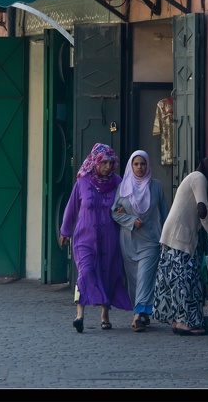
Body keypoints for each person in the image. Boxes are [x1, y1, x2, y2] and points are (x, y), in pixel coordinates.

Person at [59, 143, 132, 333]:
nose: (107, 166)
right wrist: (65, 231)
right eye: (104, 162)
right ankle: (79, 314)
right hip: (84, 238)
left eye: (110, 162)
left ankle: (105, 315)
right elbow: (71, 208)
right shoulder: (82, 182)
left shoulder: (117, 182)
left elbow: (127, 204)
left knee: (106, 273)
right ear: (95, 162)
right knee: (86, 271)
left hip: (109, 239)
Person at [153, 156, 208, 335]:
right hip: (180, 237)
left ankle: (177, 320)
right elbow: (202, 210)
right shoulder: (199, 178)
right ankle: (185, 323)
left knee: (175, 281)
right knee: (184, 282)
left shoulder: (195, 178)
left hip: (175, 236)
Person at [112, 150, 169, 332]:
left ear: (148, 165)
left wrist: (167, 238)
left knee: (145, 277)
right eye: (136, 164)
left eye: (143, 164)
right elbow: (115, 212)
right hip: (129, 241)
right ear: (131, 165)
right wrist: (130, 220)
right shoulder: (123, 188)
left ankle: (137, 316)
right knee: (135, 280)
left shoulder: (156, 187)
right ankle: (144, 312)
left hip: (151, 240)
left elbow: (165, 213)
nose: (139, 168)